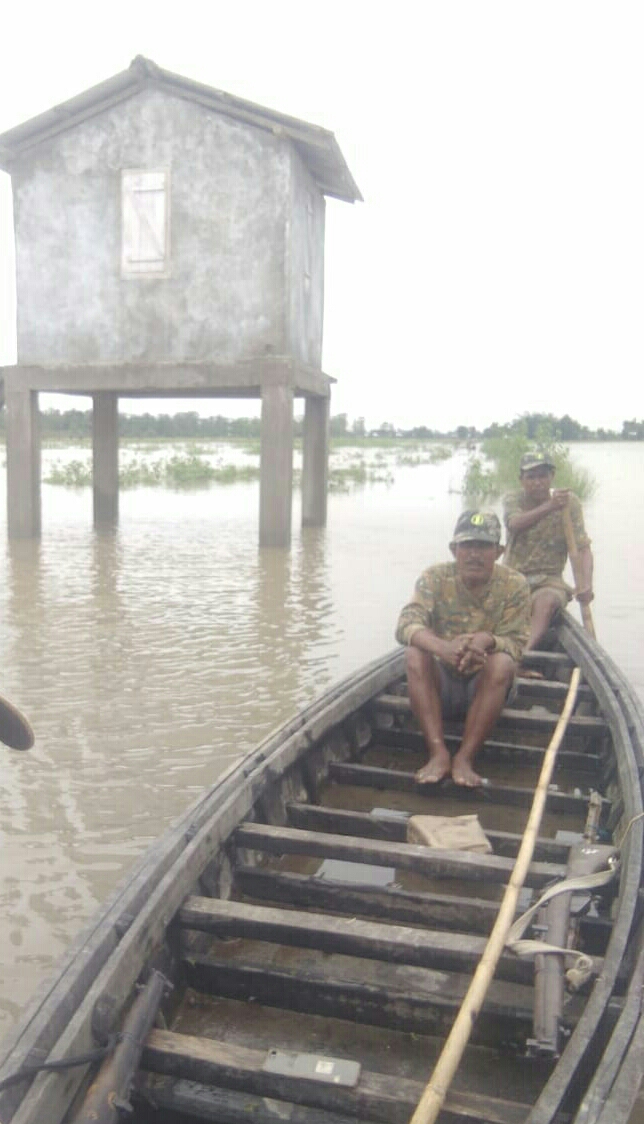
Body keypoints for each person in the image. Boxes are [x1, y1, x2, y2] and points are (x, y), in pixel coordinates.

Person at [395, 511, 530, 788]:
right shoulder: (434, 578)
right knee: (414, 653)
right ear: (454, 550)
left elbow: (517, 643)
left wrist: (487, 641)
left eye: (483, 547)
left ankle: (465, 757)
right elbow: (406, 625)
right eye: (467, 546)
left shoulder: (515, 584)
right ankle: (438, 752)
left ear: (499, 551)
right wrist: (443, 648)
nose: (474, 555)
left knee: (503, 663)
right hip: (441, 685)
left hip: (486, 687)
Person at [503, 451, 593, 651]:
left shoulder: (570, 503)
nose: (537, 482)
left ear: (552, 476)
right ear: (521, 480)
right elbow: (515, 524)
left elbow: (583, 548)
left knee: (547, 601)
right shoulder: (514, 499)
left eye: (542, 476)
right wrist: (550, 506)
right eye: (531, 477)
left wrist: (586, 584)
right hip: (513, 579)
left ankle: (524, 652)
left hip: (549, 580)